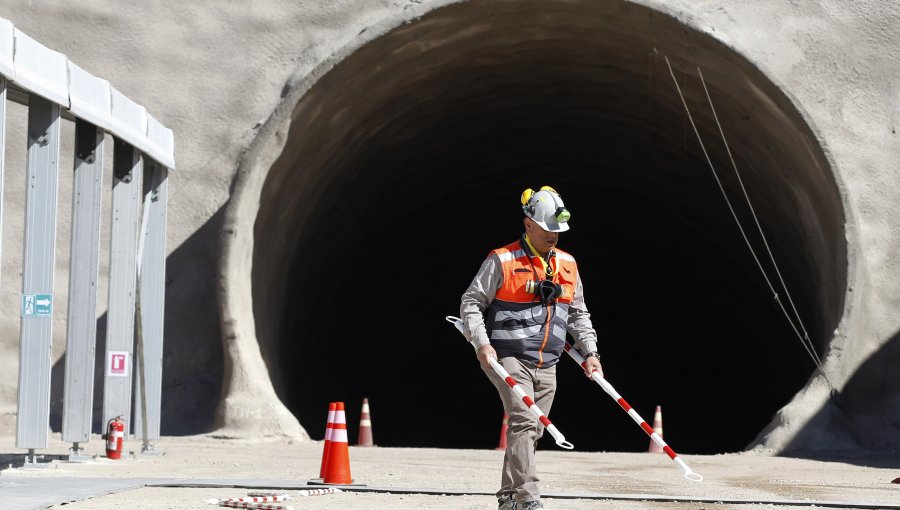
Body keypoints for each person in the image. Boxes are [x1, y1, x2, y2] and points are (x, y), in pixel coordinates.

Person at [460, 186, 602, 510]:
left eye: (558, 230)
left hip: (548, 362)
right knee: (524, 420)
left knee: (532, 430)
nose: (554, 235)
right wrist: (481, 343)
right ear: (528, 225)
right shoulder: (502, 260)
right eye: (548, 229)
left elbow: (578, 314)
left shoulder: (568, 265)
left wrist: (591, 353)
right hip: (506, 356)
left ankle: (508, 497)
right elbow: (471, 302)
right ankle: (528, 499)